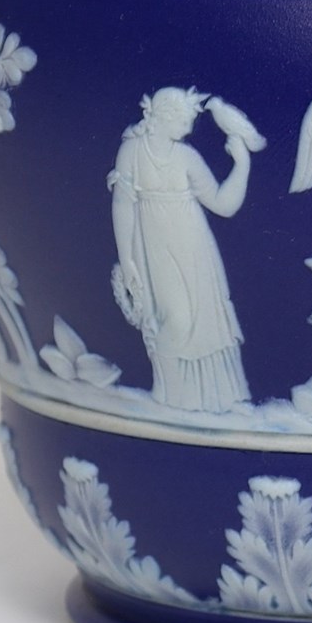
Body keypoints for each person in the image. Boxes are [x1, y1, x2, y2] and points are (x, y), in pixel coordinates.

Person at [109, 87, 254, 413]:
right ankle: (168, 392)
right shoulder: (132, 151)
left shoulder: (187, 157)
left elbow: (222, 204)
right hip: (153, 248)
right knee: (177, 320)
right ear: (163, 116)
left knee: (201, 324)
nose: (189, 128)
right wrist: (126, 258)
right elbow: (122, 205)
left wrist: (242, 164)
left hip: (193, 246)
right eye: (185, 120)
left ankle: (196, 401)